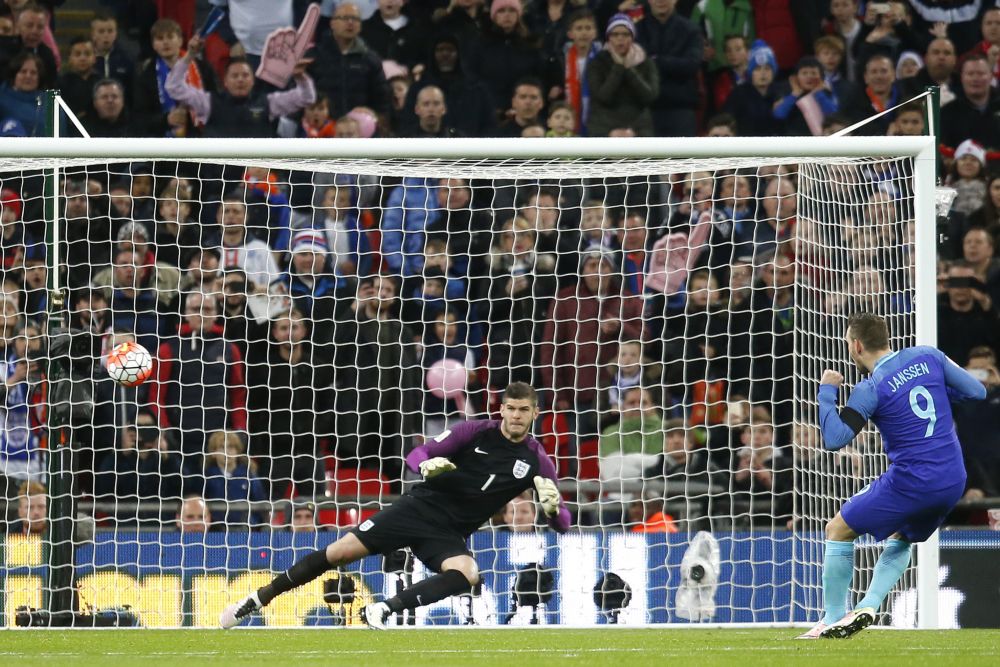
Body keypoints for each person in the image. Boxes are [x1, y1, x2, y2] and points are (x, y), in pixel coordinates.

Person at [219, 381, 570, 630]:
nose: (516, 416)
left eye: (524, 410)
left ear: (535, 413)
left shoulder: (537, 461)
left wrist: (553, 511)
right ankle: (257, 598)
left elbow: (564, 524)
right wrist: (425, 465)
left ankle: (383, 610)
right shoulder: (475, 432)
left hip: (447, 533)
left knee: (467, 572)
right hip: (417, 508)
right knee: (340, 552)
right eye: (511, 408)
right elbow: (418, 453)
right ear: (502, 409)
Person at [800, 313, 985, 639]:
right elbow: (977, 391)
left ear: (856, 346)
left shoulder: (870, 387)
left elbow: (834, 439)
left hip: (913, 480)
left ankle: (831, 619)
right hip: (954, 479)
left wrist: (826, 392)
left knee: (837, 529)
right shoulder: (929, 356)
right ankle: (869, 604)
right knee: (903, 536)